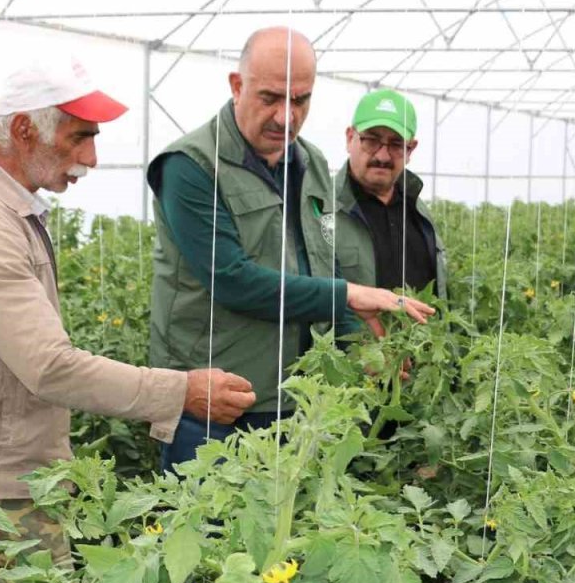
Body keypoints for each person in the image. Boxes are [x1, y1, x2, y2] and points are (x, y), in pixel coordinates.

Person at [0, 55, 257, 571]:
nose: (91, 157)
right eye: (78, 137)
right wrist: (182, 392)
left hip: (2, 480)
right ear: (23, 130)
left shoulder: (1, 208)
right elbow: (50, 367)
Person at [147, 27, 434, 473]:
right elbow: (232, 280)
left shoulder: (313, 164)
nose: (286, 116)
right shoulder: (191, 166)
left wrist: (364, 348)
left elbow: (326, 262)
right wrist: (347, 294)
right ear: (236, 86)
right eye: (270, 98)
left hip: (301, 403)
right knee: (211, 536)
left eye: (300, 100)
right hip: (218, 407)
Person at [333, 89, 447, 297]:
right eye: (372, 140)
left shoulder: (419, 212)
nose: (383, 155)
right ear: (350, 138)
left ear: (410, 149)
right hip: (355, 332)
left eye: (396, 144)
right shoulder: (322, 208)